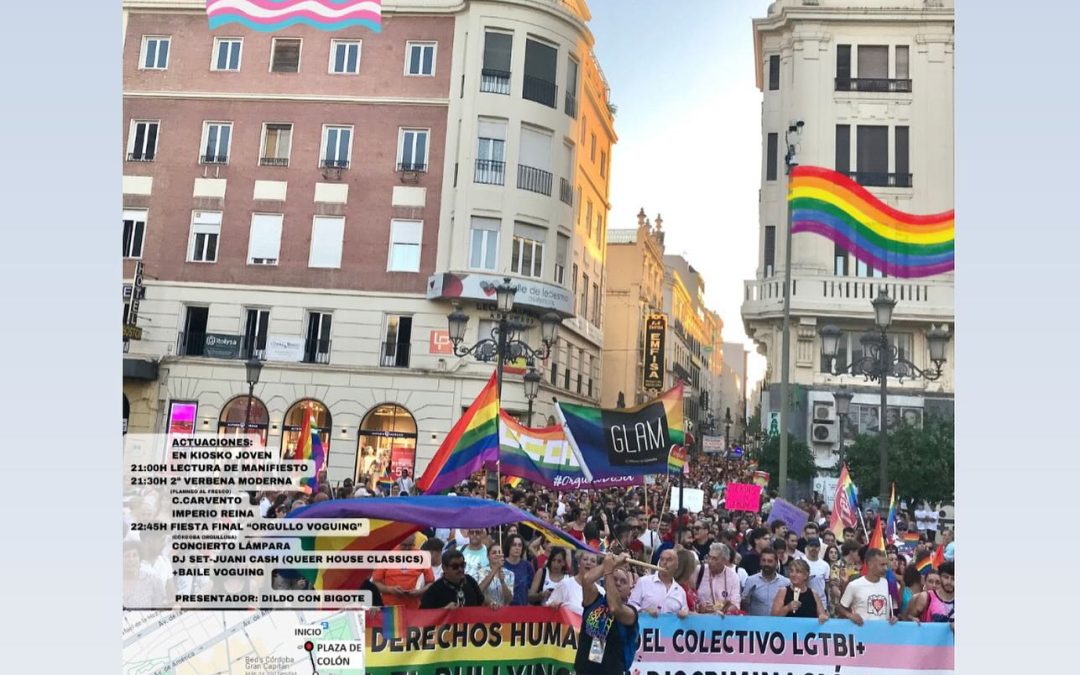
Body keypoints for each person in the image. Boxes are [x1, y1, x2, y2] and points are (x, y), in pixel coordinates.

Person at [574, 554, 640, 675]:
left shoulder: (631, 613)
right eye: (615, 579)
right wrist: (610, 564)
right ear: (606, 583)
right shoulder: (595, 600)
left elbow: (614, 607)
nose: (618, 583)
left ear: (629, 591)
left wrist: (609, 572)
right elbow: (587, 580)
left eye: (623, 581)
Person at [371, 534, 434, 609]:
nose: (407, 549)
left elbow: (431, 583)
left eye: (410, 545)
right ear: (398, 542)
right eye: (404, 545)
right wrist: (390, 590)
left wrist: (420, 592)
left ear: (415, 543)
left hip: (412, 607)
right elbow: (375, 583)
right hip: (390, 607)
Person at [838, 548, 897, 625]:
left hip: (883, 634)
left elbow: (886, 612)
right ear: (870, 564)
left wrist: (892, 619)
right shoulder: (854, 585)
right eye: (882, 565)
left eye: (886, 565)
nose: (886, 568)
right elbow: (840, 608)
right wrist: (850, 615)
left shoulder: (886, 583)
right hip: (861, 634)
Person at [628, 548, 689, 617]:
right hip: (646, 626)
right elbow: (630, 605)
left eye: (669, 560)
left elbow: (685, 612)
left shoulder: (680, 592)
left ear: (677, 565)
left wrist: (684, 614)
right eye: (662, 559)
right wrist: (643, 610)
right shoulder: (643, 582)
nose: (664, 563)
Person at [420, 550, 484, 609]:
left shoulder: (470, 580)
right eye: (455, 566)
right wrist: (445, 610)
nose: (460, 569)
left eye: (462, 565)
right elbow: (424, 616)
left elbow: (481, 600)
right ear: (444, 568)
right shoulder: (434, 590)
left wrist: (491, 603)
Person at [547, 550, 603, 614]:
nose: (588, 563)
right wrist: (552, 605)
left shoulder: (601, 592)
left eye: (593, 561)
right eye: (585, 559)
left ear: (596, 567)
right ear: (579, 563)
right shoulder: (565, 584)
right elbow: (547, 606)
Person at [740, 550, 790, 617]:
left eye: (770, 561)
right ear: (760, 562)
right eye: (763, 560)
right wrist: (745, 601)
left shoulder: (786, 582)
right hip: (756, 624)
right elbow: (743, 605)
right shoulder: (751, 580)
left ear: (776, 562)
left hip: (778, 624)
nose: (766, 564)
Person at [695, 543, 741, 615]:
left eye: (714, 559)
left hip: (722, 621)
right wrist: (699, 607)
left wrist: (715, 608)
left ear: (725, 561)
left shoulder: (733, 577)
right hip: (700, 619)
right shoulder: (699, 570)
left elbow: (735, 604)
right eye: (709, 557)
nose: (710, 561)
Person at [904, 561, 954, 626]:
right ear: (940, 577)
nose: (949, 582)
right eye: (946, 577)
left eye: (953, 578)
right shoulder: (925, 597)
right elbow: (905, 619)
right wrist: (912, 620)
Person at [478, 544, 514, 608]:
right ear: (488, 556)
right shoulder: (481, 572)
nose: (497, 555)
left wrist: (502, 582)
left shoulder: (510, 574)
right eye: (494, 553)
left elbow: (509, 599)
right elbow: (479, 591)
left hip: (503, 612)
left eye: (499, 552)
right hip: (486, 610)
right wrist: (496, 567)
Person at [502, 534, 534, 606]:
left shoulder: (528, 566)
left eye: (520, 545)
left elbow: (531, 591)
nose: (517, 548)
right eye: (514, 545)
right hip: (504, 609)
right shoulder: (501, 565)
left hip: (522, 609)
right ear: (508, 547)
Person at [804, 538, 830, 611]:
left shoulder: (825, 565)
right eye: (811, 546)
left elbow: (827, 587)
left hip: (821, 602)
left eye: (816, 546)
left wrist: (828, 603)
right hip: (804, 600)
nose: (814, 548)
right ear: (807, 547)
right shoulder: (800, 561)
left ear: (819, 548)